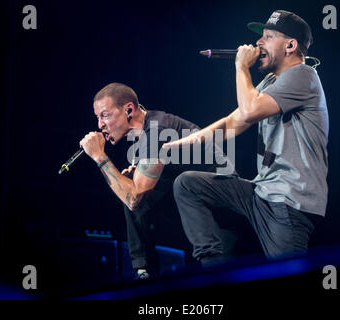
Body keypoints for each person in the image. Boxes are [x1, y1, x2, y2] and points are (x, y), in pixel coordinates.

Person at [164, 10, 329, 265]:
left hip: (290, 201)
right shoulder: (271, 82)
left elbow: (250, 110)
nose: (258, 44)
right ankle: (212, 266)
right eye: (260, 37)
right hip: (262, 191)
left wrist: (241, 66)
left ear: (290, 45)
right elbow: (233, 122)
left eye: (268, 37)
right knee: (188, 185)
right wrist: (171, 148)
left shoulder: (303, 75)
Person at [79, 82, 231, 279]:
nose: (100, 125)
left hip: (222, 207)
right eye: (97, 118)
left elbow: (134, 198)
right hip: (192, 200)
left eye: (105, 115)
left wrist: (100, 157)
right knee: (128, 183)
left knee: (134, 193)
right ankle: (143, 271)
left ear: (129, 110)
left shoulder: (157, 129)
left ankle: (146, 272)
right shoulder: (144, 133)